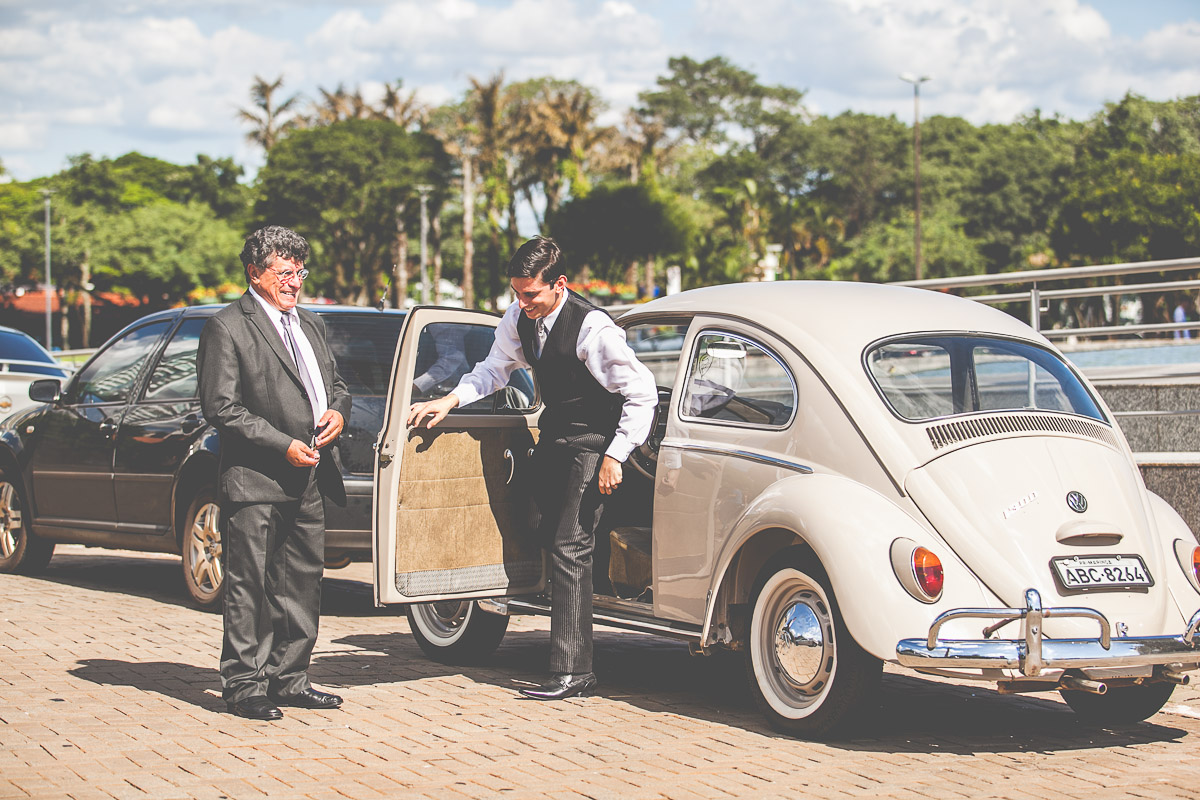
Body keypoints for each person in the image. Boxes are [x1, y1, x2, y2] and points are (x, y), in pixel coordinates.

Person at [407, 236, 657, 700]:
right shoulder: (517, 316)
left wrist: (616, 455)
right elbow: (493, 370)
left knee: (569, 545)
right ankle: (576, 599)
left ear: (559, 285)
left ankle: (573, 671)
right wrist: (449, 400)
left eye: (531, 295)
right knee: (536, 527)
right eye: (517, 294)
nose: (522, 304)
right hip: (555, 435)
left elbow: (642, 394)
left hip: (594, 443)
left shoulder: (594, 330)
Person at [197, 225, 352, 721]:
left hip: (310, 476)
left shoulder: (311, 324)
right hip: (256, 478)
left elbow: (336, 385)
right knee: (250, 586)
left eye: (300, 271)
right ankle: (244, 686)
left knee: (302, 582)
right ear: (254, 274)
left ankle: (291, 679)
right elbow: (221, 407)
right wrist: (281, 444)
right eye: (284, 272)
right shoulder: (227, 326)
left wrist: (339, 412)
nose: (294, 282)